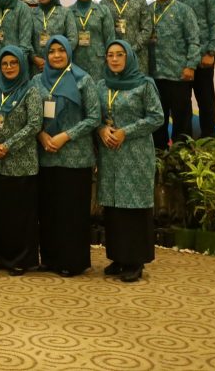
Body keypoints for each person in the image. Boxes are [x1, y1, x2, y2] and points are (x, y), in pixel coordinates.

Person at [97, 40, 164, 283]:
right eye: (110, 55)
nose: (114, 59)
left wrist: (126, 131)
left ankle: (135, 261)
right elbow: (96, 115)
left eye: (120, 55)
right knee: (114, 207)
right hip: (110, 155)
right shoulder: (101, 85)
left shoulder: (144, 85)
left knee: (134, 207)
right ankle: (118, 257)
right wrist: (101, 129)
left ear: (129, 58)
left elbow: (157, 117)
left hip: (135, 154)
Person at [34, 36, 100, 277]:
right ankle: (50, 258)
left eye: (61, 50)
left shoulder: (83, 80)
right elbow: (30, 114)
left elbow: (94, 117)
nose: (56, 55)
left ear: (69, 53)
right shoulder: (37, 81)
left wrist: (66, 136)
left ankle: (72, 261)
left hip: (75, 156)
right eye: (51, 51)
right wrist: (41, 135)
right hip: (46, 155)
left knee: (71, 212)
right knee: (49, 210)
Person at [0, 46, 42, 276]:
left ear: (21, 64)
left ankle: (22, 259)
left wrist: (7, 145)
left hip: (22, 163)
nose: (9, 67)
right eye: (4, 64)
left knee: (21, 215)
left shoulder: (31, 91)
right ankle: (0, 257)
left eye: (14, 63)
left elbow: (34, 124)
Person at [173, 0, 215, 139]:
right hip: (178, 60)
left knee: (206, 102)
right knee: (181, 105)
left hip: (203, 57)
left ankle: (208, 142)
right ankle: (183, 144)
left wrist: (211, 52)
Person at [148, 0, 200, 150]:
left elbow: (194, 40)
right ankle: (159, 157)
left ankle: (180, 159)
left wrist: (190, 66)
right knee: (157, 120)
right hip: (153, 76)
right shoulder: (147, 11)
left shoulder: (184, 11)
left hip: (178, 75)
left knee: (182, 120)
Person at [102, 0, 152, 74]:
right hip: (113, 57)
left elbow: (147, 29)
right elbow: (102, 31)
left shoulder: (140, 2)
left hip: (137, 55)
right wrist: (112, 51)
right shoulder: (104, 3)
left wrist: (133, 48)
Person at [69, 0, 115, 82]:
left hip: (99, 62)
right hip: (76, 62)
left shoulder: (103, 10)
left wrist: (110, 59)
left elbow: (110, 38)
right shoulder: (68, 12)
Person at [31, 0, 77, 72]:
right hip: (36, 66)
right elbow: (26, 40)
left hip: (59, 63)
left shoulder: (65, 12)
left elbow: (72, 39)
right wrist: (34, 58)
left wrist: (56, 57)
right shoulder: (31, 13)